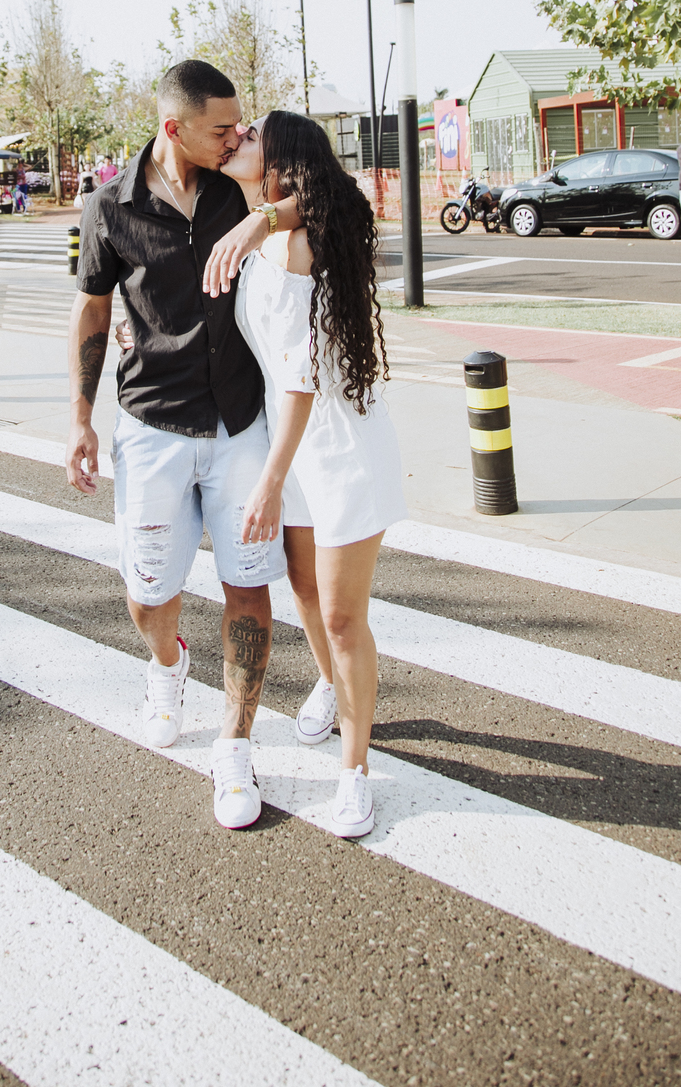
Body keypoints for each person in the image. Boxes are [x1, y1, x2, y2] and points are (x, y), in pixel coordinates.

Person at [66, 59, 300, 830]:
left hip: (240, 423)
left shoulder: (241, 186)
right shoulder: (108, 207)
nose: (237, 135)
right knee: (147, 594)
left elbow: (327, 197)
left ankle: (235, 747)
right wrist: (80, 417)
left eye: (239, 125)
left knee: (248, 588)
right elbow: (93, 311)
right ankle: (168, 661)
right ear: (175, 128)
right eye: (221, 126)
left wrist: (263, 218)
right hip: (151, 424)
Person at [220, 111, 405, 840]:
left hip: (337, 447)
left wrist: (268, 482)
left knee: (340, 615)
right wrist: (258, 216)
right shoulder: (269, 229)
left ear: (282, 160)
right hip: (289, 444)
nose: (237, 139)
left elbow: (299, 380)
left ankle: (354, 772)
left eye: (252, 136)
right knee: (302, 587)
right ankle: (332, 684)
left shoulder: (296, 241)